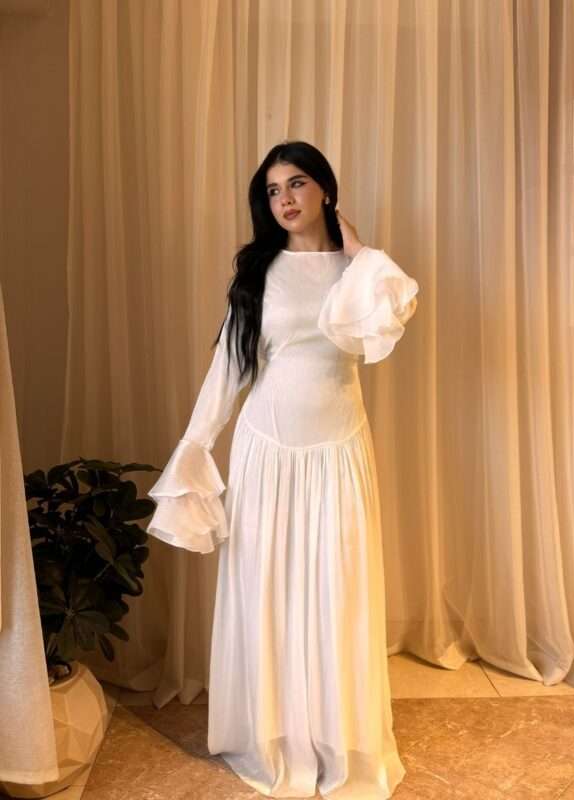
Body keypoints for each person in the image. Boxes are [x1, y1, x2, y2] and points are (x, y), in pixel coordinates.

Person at [146, 140, 419, 799]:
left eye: (296, 183)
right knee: (268, 586)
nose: (285, 199)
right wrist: (196, 445)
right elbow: (230, 366)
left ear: (325, 188)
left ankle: (335, 736)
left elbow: (386, 323)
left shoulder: (360, 271)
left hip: (340, 449)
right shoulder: (258, 272)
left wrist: (358, 254)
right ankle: (275, 735)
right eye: (272, 190)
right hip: (266, 451)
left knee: (338, 588)